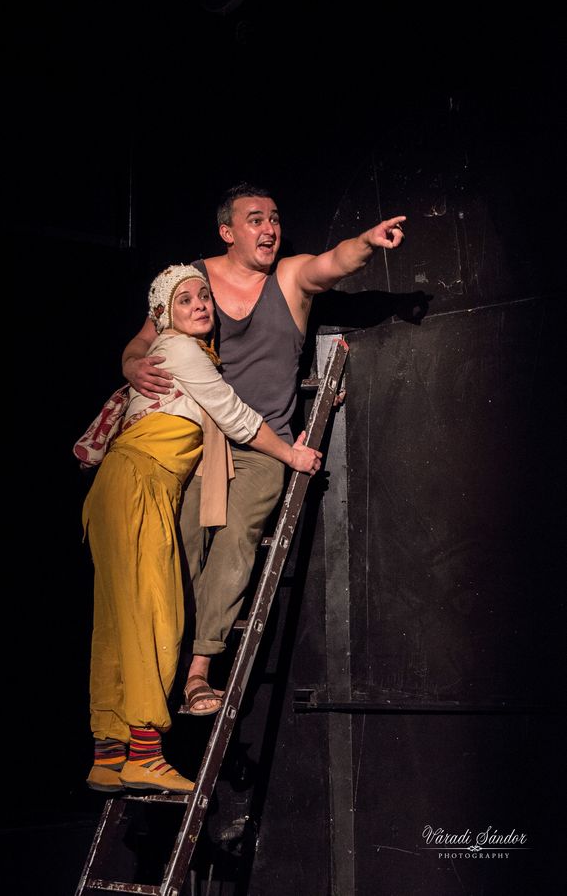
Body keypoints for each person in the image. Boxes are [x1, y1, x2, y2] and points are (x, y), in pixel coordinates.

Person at [122, 183, 405, 714]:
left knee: (236, 539)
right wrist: (131, 362)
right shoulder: (194, 280)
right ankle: (160, 669)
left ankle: (199, 672)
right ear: (227, 232)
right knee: (177, 543)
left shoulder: (289, 277)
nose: (269, 228)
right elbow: (144, 338)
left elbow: (334, 262)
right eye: (255, 219)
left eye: (274, 218)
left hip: (264, 447)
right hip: (198, 443)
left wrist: (368, 241)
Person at [83, 263, 321, 794]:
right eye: (185, 300)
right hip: (140, 484)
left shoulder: (173, 352)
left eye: (204, 297)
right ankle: (146, 754)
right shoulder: (181, 350)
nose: (200, 305)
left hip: (121, 487)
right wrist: (291, 454)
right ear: (164, 315)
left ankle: (108, 753)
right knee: (158, 616)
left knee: (117, 623)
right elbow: (234, 414)